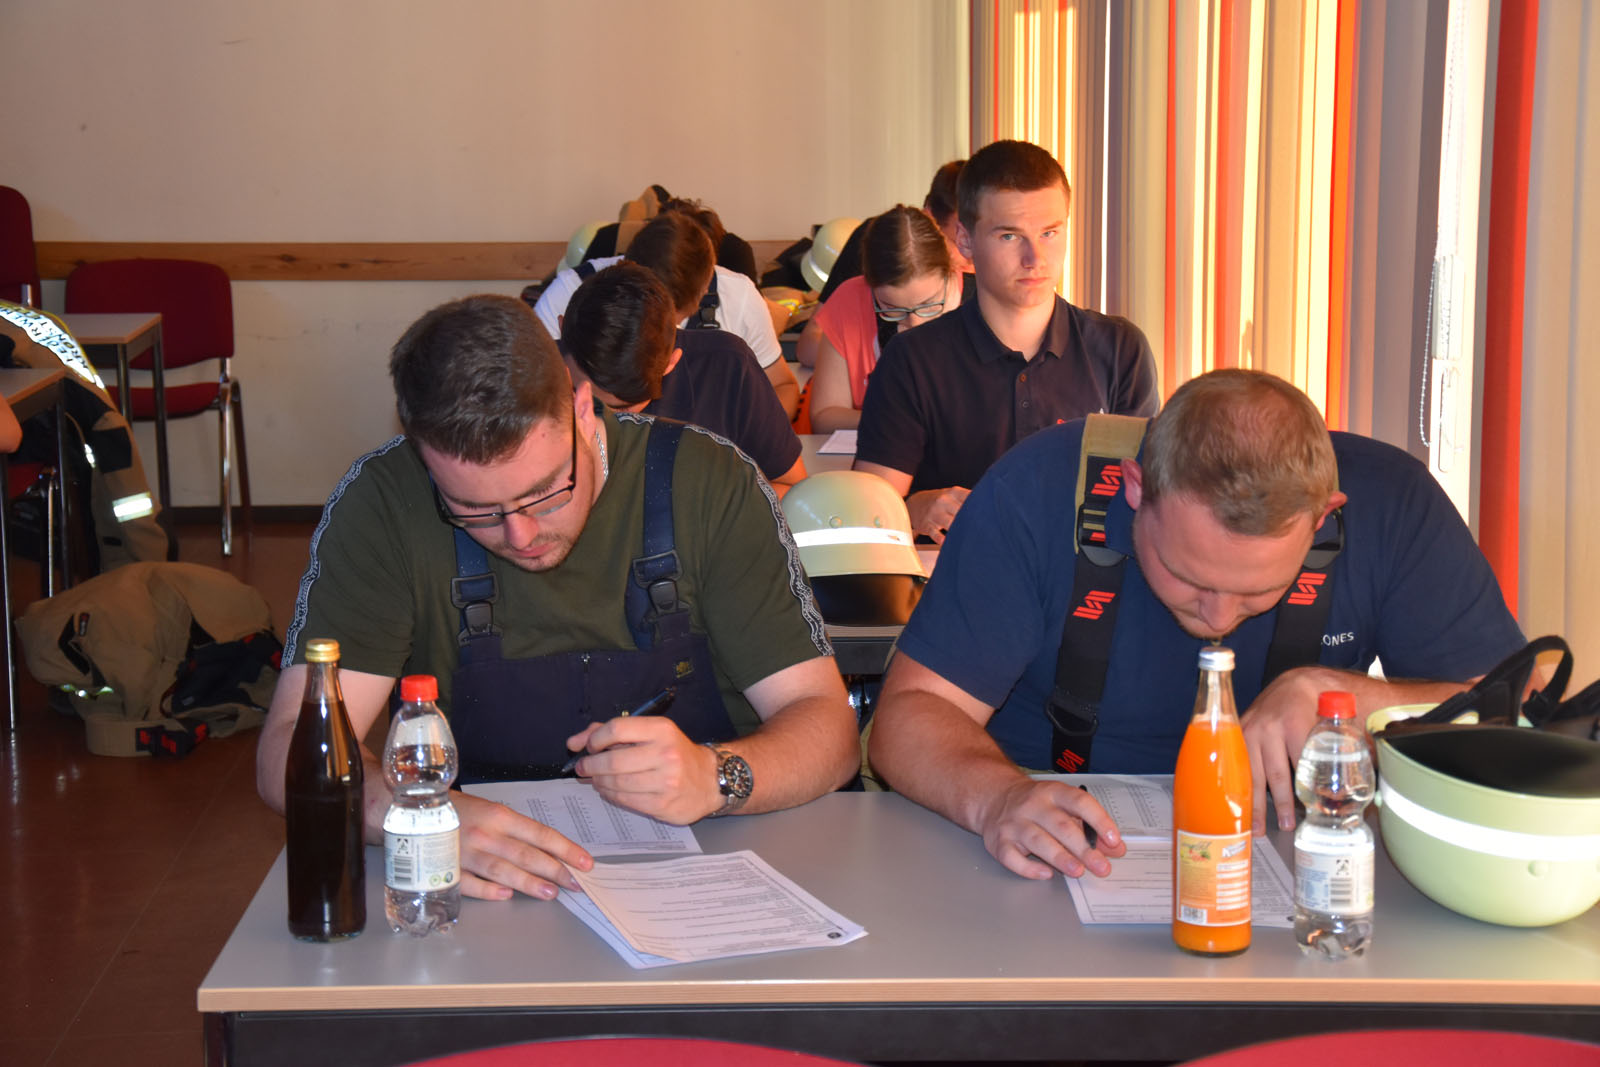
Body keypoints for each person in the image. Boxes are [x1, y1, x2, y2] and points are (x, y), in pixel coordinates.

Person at [256, 295, 858, 902]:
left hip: (715, 874)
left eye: (546, 493)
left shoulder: (708, 482)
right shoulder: (385, 505)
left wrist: (718, 777)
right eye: (473, 510)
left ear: (583, 410)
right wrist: (413, 813)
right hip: (488, 891)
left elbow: (829, 730)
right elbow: (290, 747)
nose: (520, 536)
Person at [867, 369, 1526, 882]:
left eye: (1258, 590)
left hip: (1290, 850)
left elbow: (1519, 714)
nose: (1218, 618)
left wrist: (1347, 699)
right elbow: (908, 715)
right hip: (1046, 839)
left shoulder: (1395, 505)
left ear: (1323, 518)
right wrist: (998, 799)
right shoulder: (1035, 491)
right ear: (1135, 488)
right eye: (1188, 577)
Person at [853, 140, 1159, 543]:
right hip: (954, 571)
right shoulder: (912, 360)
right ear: (965, 241)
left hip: (1084, 573)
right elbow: (868, 511)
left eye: (1050, 233)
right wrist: (912, 509)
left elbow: (1151, 504)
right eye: (1010, 237)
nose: (1035, 258)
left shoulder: (1120, 349)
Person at [561, 259, 805, 494]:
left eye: (625, 407)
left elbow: (791, 488)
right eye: (595, 403)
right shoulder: (539, 379)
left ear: (672, 361)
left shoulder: (727, 366)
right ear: (562, 333)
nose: (612, 421)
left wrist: (707, 509)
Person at [533, 204, 799, 417]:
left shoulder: (738, 296)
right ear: (625, 265)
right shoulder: (566, 293)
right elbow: (529, 399)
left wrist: (746, 437)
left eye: (674, 321)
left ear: (704, 288)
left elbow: (784, 387)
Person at [796, 160, 970, 370]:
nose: (969, 256)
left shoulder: (980, 285)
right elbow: (810, 343)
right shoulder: (882, 249)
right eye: (957, 241)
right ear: (930, 218)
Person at [807, 207, 963, 434]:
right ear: (869, 286)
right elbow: (824, 417)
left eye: (928, 305)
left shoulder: (984, 301)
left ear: (949, 271)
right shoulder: (850, 299)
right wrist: (900, 420)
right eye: (892, 309)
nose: (914, 323)